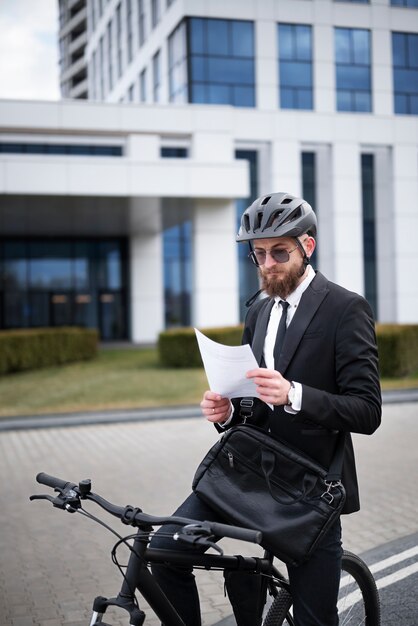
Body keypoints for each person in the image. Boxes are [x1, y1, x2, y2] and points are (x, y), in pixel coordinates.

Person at [150, 192, 382, 626]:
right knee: (163, 553)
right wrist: (229, 412)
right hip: (247, 472)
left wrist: (294, 393)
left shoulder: (345, 309)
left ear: (306, 247)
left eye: (280, 251)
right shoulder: (258, 309)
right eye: (259, 254)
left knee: (315, 618)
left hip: (310, 488)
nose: (268, 264)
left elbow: (367, 411)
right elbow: (255, 405)